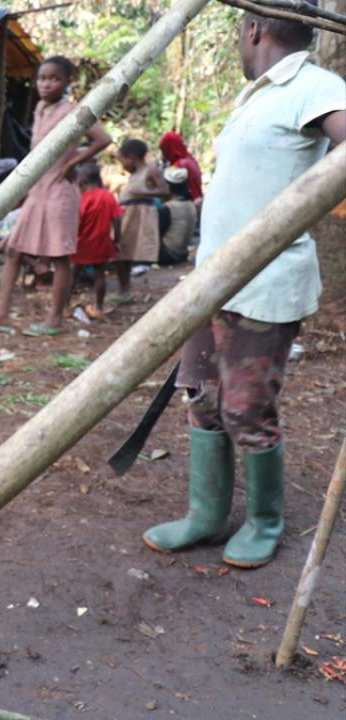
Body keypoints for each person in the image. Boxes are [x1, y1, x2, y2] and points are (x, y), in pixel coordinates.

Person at [142, 9, 344, 569]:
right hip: (215, 281)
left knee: (247, 407)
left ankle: (265, 521)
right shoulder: (256, 97)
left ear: (254, 27)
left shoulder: (316, 86)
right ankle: (206, 516)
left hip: (269, 283)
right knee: (203, 399)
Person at [0, 55, 111, 333]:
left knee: (59, 257)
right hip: (37, 190)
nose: (46, 84)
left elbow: (103, 139)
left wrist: (71, 163)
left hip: (59, 192)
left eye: (54, 79)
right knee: (13, 249)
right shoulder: (41, 108)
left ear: (67, 82)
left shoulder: (73, 111)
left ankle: (54, 318)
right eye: (42, 78)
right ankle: (1, 311)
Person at [113, 138, 168, 300]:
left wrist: (144, 194)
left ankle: (125, 290)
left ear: (132, 157)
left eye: (122, 160)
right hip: (127, 213)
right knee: (121, 252)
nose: (122, 165)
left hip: (139, 214)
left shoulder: (151, 171)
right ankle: (124, 289)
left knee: (125, 251)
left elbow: (165, 192)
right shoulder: (133, 174)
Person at [68, 162, 121, 319]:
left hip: (82, 242)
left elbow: (77, 221)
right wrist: (117, 239)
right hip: (102, 242)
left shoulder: (83, 199)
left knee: (73, 273)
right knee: (100, 274)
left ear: (82, 183)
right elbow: (117, 220)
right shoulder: (109, 196)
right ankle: (99, 306)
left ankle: (64, 305)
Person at [157, 166, 196, 266]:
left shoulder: (168, 207)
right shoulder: (191, 204)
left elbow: (157, 233)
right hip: (183, 254)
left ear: (169, 187)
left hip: (167, 255)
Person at [158, 130, 203, 205]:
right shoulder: (191, 160)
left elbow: (166, 188)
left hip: (186, 204)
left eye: (164, 151)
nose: (163, 155)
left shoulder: (179, 165)